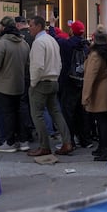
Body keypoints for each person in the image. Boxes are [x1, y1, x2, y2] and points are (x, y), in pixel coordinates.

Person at [26, 15, 74, 157]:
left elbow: (38, 66)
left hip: (41, 82)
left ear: (39, 26)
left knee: (37, 114)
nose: (30, 28)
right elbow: (59, 63)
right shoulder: (52, 40)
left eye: (31, 25)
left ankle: (44, 146)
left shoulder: (39, 42)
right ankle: (67, 142)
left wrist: (33, 83)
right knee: (56, 112)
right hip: (53, 80)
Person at [0, 17, 33, 153]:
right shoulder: (24, 44)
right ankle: (23, 140)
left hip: (4, 84)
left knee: (7, 114)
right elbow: (28, 64)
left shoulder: (2, 44)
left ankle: (9, 142)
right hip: (20, 83)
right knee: (20, 113)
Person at [81, 25, 107, 161]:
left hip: (100, 91)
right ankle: (104, 146)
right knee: (106, 120)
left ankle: (104, 149)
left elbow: (90, 77)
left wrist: (85, 97)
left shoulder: (95, 55)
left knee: (101, 121)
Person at [53, 20, 91, 147]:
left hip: (68, 82)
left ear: (71, 31)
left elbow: (54, 38)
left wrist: (52, 26)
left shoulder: (66, 45)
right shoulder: (86, 47)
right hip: (82, 82)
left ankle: (70, 141)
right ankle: (85, 140)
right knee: (82, 112)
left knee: (67, 113)